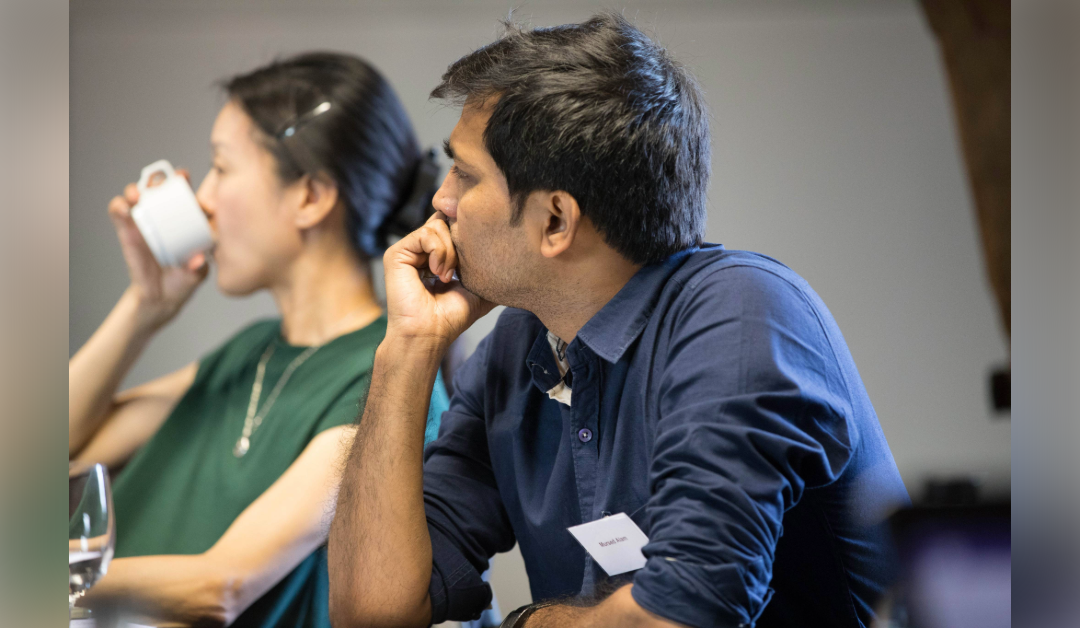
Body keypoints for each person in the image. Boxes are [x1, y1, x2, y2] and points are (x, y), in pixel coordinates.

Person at [328, 13, 911, 628]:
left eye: (466, 175)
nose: (440, 202)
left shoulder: (742, 315)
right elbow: (371, 611)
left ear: (555, 221)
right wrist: (408, 347)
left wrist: (524, 623)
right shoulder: (517, 344)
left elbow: (678, 618)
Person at [68, 52, 448, 627]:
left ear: (310, 197)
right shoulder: (253, 351)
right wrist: (145, 307)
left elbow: (219, 587)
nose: (204, 201)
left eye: (222, 168)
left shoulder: (391, 378)